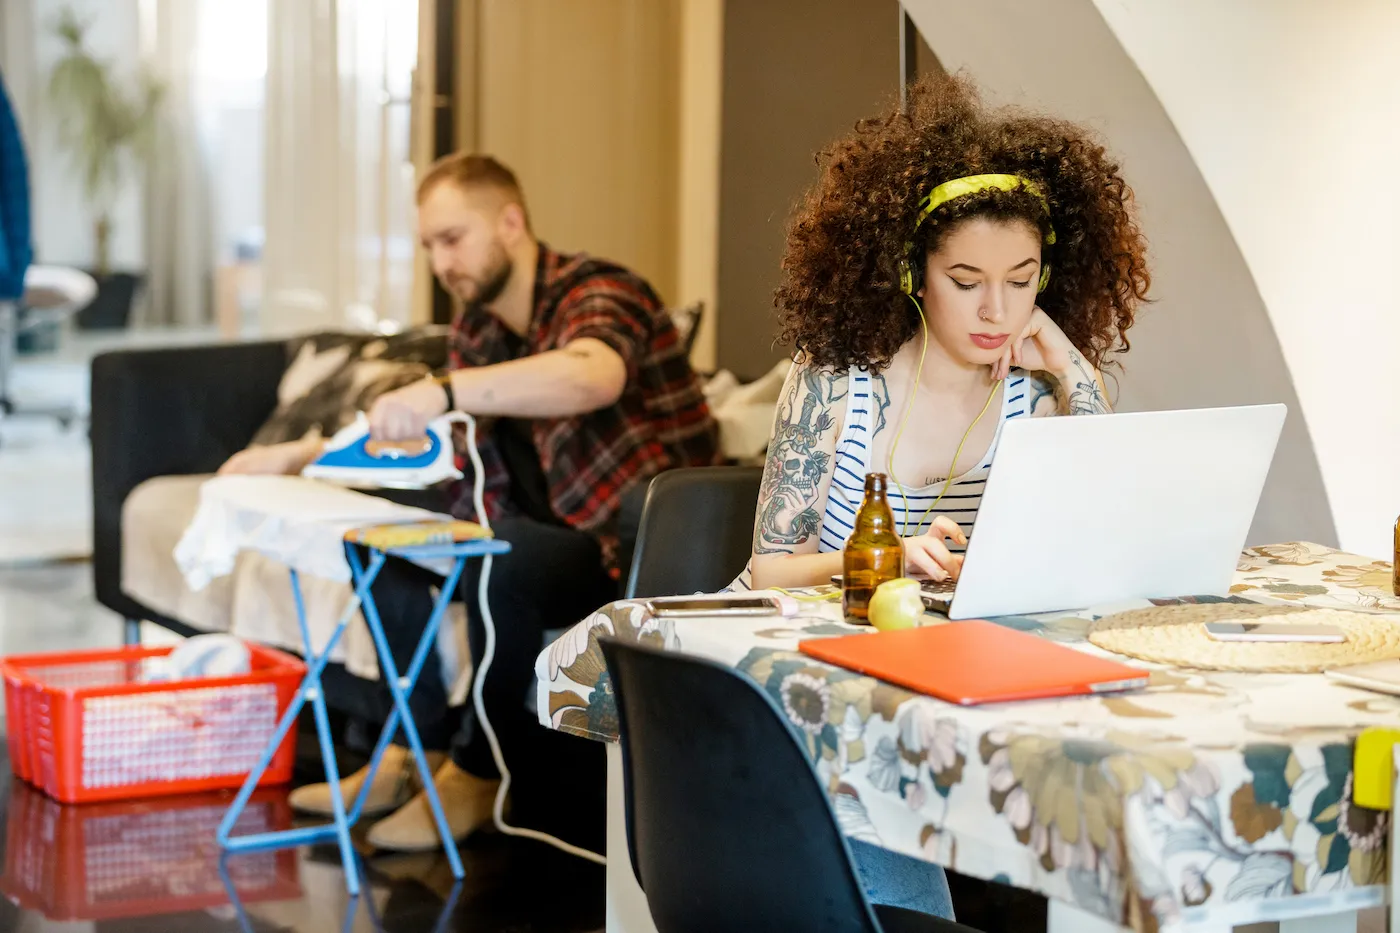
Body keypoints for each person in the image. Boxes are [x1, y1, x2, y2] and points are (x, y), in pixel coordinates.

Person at [737, 74, 1151, 918]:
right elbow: (769, 570)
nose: (997, 309)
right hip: (823, 696)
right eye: (966, 279)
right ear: (911, 273)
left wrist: (1071, 364)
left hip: (967, 689)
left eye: (1023, 278)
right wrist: (879, 557)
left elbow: (1111, 537)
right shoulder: (835, 384)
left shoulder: (1042, 392)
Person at [222, 152, 721, 851]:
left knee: (503, 556)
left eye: (452, 238)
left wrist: (447, 390)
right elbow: (435, 444)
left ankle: (482, 771)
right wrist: (298, 454)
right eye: (428, 244)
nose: (438, 261)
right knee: (388, 545)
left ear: (510, 223)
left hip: (632, 547)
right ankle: (414, 751)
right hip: (540, 535)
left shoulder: (599, 290)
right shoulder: (478, 330)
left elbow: (592, 376)